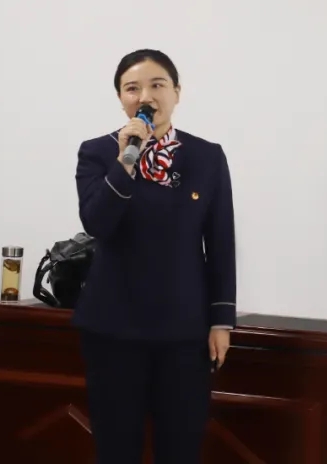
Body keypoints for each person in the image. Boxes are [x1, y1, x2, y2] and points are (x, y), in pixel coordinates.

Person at [72, 49, 236, 464]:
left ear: (176, 92)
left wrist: (221, 321)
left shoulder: (206, 157)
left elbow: (220, 241)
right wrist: (125, 162)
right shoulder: (97, 153)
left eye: (157, 84)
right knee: (116, 450)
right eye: (132, 88)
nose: (145, 95)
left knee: (180, 449)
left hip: (184, 334)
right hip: (112, 329)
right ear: (121, 99)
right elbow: (97, 222)